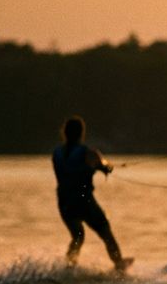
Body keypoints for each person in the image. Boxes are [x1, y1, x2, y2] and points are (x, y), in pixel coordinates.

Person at [52, 116, 132, 273]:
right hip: (84, 202)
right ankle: (119, 265)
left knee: (78, 236)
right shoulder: (87, 153)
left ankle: (68, 268)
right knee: (105, 231)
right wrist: (106, 167)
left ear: (64, 133)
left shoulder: (57, 153)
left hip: (64, 203)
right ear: (81, 133)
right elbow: (102, 164)